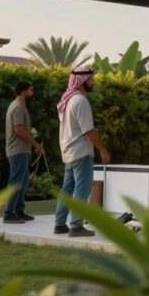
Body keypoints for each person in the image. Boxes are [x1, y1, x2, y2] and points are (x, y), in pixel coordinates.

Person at [53, 66, 112, 237]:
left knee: (67, 189)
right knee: (82, 189)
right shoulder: (80, 101)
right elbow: (88, 130)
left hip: (69, 152)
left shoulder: (68, 100)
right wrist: (103, 149)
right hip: (81, 152)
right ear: (83, 81)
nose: (93, 82)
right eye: (91, 79)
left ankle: (59, 224)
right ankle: (76, 226)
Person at [3, 81, 44, 224]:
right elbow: (19, 130)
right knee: (16, 182)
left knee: (23, 181)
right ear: (22, 91)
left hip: (21, 150)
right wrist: (36, 144)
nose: (32, 91)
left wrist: (32, 141)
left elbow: (23, 129)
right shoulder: (18, 107)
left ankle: (19, 211)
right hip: (17, 150)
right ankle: (8, 213)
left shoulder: (19, 106)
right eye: (30, 89)